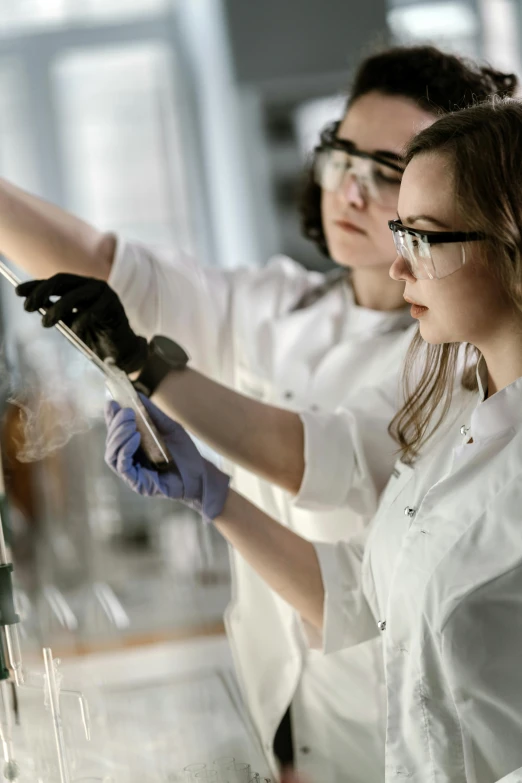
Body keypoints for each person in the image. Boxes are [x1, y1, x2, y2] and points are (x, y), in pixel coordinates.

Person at [6, 47, 516, 782]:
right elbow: (359, 587)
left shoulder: (450, 362)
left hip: (386, 731)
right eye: (343, 156)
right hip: (294, 715)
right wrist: (217, 497)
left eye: (389, 172)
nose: (353, 191)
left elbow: (322, 452)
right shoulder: (283, 306)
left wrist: (154, 367)